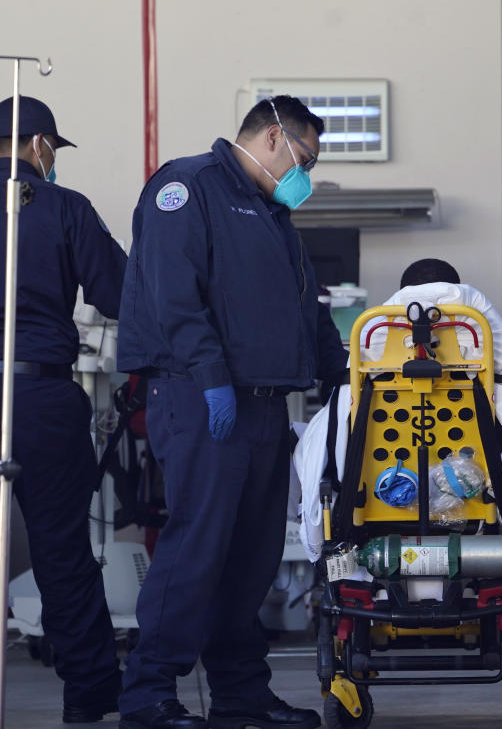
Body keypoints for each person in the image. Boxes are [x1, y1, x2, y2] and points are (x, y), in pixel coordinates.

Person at [117, 96, 347, 729]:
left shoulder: (273, 215)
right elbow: (173, 293)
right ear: (274, 137)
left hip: (267, 405)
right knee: (198, 546)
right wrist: (212, 377)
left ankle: (241, 693)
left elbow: (308, 310)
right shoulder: (186, 188)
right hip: (202, 399)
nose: (306, 174)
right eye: (305, 158)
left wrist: (345, 377)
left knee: (251, 557)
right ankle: (146, 693)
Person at [292, 258, 502, 613]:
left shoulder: (372, 333)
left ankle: (345, 579)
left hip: (375, 497)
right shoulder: (483, 335)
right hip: (475, 498)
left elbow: (335, 440)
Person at [0, 96, 127, 723]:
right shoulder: (64, 207)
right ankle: (89, 694)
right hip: (41, 393)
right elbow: (119, 294)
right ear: (41, 145)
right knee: (62, 552)